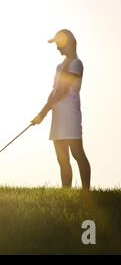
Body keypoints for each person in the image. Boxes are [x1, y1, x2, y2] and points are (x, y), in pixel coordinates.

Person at [32, 29, 91, 189]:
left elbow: (63, 90)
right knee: (62, 157)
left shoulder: (76, 64)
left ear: (69, 43)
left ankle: (86, 190)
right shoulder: (59, 67)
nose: (57, 47)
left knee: (77, 154)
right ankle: (66, 191)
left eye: (59, 44)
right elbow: (54, 91)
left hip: (70, 117)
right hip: (58, 117)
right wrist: (44, 111)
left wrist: (43, 112)